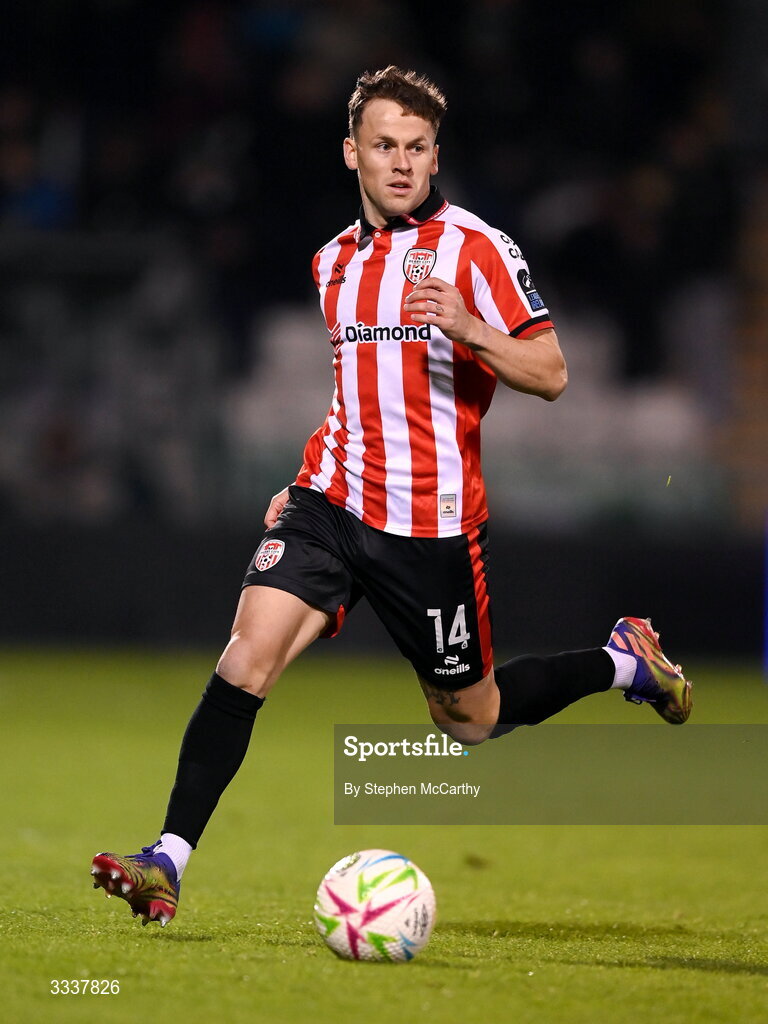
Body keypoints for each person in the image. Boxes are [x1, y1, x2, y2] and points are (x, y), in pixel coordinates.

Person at [90, 66, 692, 927]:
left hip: (431, 528)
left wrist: (470, 326)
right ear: (352, 153)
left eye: (417, 148)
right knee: (244, 657)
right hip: (329, 503)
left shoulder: (477, 249)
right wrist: (302, 477)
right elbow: (358, 390)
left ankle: (626, 661)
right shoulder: (332, 262)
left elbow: (553, 374)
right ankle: (167, 860)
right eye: (384, 146)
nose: (402, 163)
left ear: (434, 154)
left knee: (470, 719)